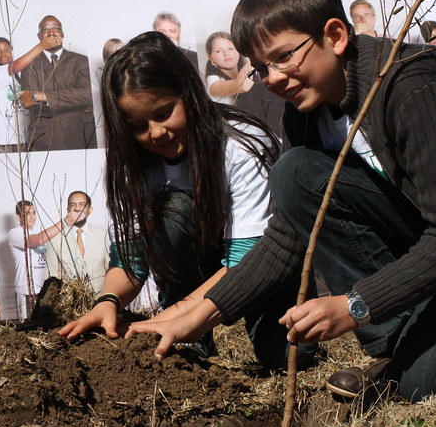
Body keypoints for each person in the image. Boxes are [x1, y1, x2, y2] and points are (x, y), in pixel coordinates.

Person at [127, 0, 436, 402]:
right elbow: (288, 238)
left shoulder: (414, 88)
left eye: (283, 58)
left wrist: (357, 304)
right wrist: (200, 314)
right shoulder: (304, 114)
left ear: (335, 36)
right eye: (261, 69)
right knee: (295, 173)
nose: (274, 78)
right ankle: (404, 337)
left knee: (417, 386)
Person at [59, 31, 310, 369]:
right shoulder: (133, 165)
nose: (157, 133)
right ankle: (194, 345)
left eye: (164, 113)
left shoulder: (242, 144)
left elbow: (247, 258)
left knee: (289, 357)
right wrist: (108, 300)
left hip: (259, 264)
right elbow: (131, 260)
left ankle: (199, 325)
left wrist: (177, 318)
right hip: (193, 265)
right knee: (174, 210)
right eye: (138, 126)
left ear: (188, 93)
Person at [12, 15, 97, 152]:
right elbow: (28, 101)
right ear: (39, 36)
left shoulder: (81, 61)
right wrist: (74, 100)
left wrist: (44, 96)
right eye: (45, 29)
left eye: (57, 28)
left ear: (62, 34)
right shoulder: (30, 64)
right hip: (45, 135)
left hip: (81, 133)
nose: (52, 32)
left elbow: (88, 95)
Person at [7, 200, 69, 318]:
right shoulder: (15, 233)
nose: (32, 216)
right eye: (27, 213)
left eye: (34, 213)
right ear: (18, 217)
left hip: (43, 289)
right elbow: (38, 240)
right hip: (26, 290)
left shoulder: (39, 232)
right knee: (26, 325)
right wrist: (65, 221)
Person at [45, 191, 109, 296]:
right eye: (72, 205)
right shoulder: (56, 238)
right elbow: (51, 279)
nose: (77, 208)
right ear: (67, 210)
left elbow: (110, 272)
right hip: (69, 305)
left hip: (100, 302)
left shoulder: (103, 235)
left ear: (90, 210)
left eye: (82, 205)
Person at [204, 31, 252, 105]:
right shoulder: (213, 79)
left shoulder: (246, 70)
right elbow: (241, 86)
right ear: (211, 58)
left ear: (238, 51)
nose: (226, 53)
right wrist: (255, 58)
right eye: (218, 51)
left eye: (230, 49)